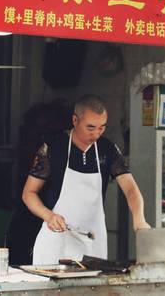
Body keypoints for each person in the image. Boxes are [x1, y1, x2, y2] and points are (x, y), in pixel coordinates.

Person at [22, 94, 150, 265]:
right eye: (90, 128)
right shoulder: (53, 147)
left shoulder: (107, 150)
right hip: (56, 241)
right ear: (75, 120)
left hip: (92, 242)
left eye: (101, 128)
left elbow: (131, 189)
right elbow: (28, 193)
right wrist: (49, 216)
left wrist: (139, 219)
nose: (96, 134)